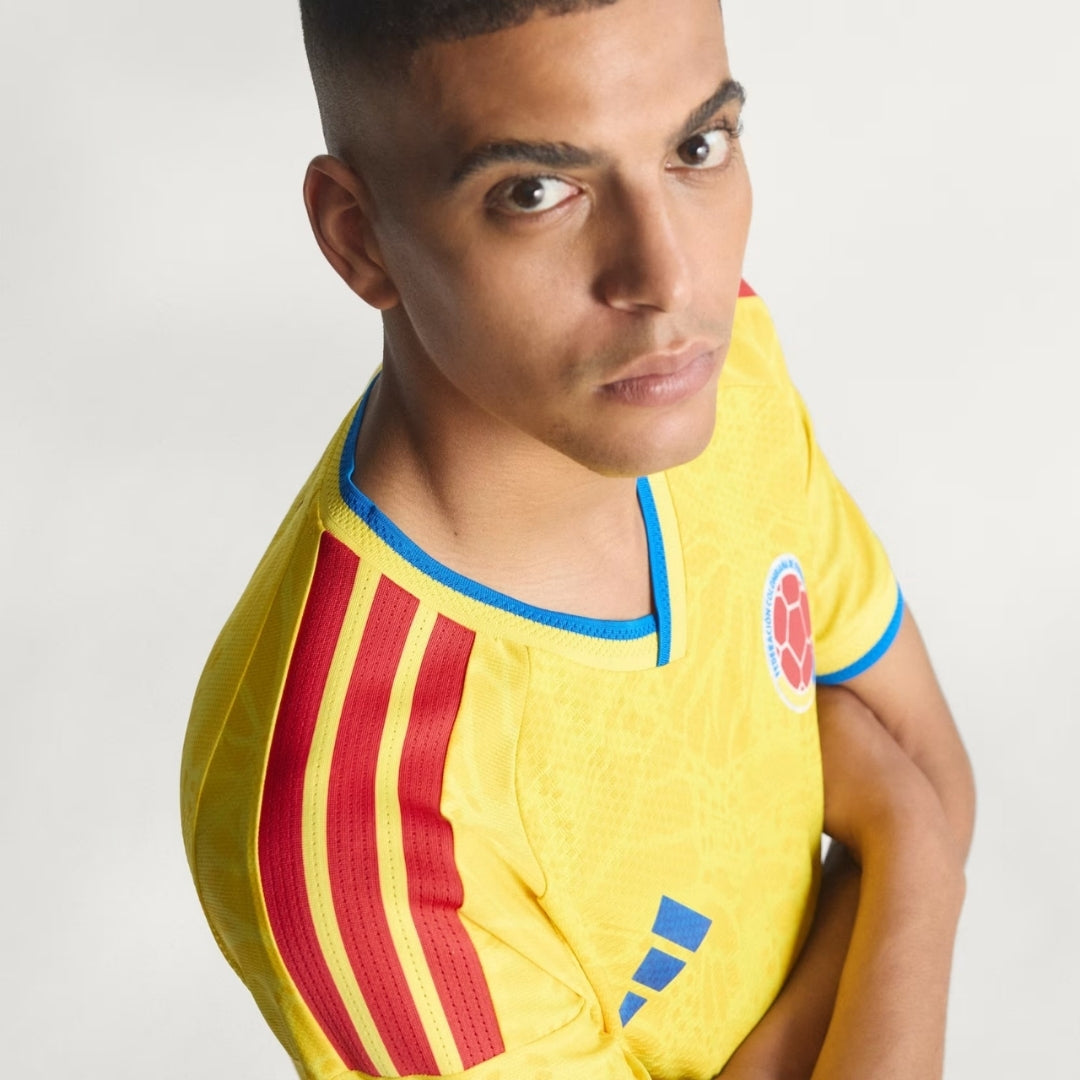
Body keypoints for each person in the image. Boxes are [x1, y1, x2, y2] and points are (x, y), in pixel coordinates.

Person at [180, 1, 975, 1077]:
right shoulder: (350, 823)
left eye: (698, 147)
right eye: (535, 192)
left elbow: (933, 765)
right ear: (359, 238)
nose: (670, 281)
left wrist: (911, 826)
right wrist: (910, 857)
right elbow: (923, 798)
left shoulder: (716, 375)